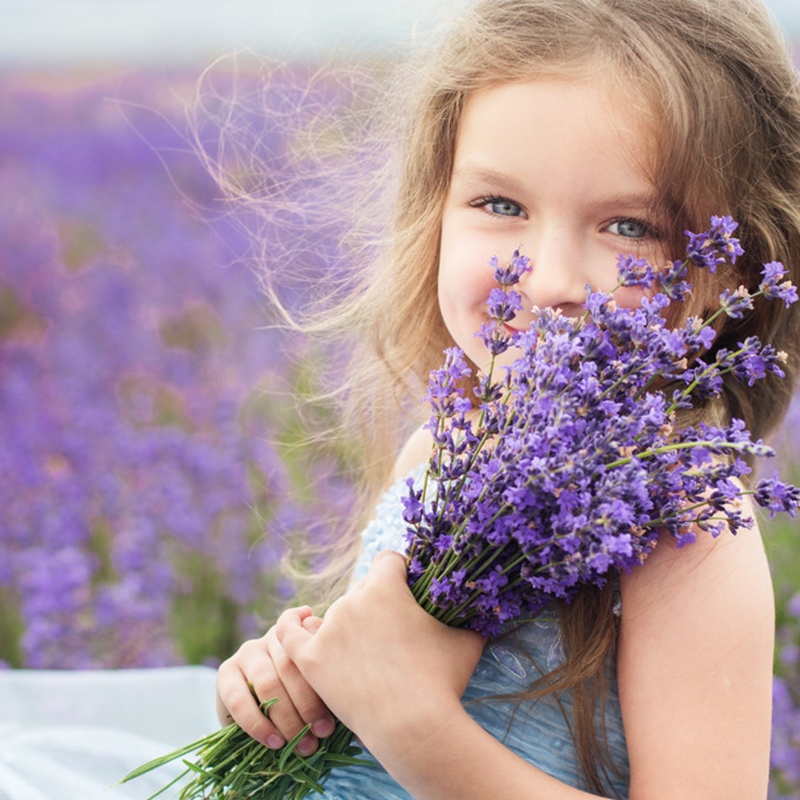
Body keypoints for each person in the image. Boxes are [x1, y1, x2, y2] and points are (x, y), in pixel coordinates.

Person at [215, 1, 800, 798]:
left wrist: (413, 724)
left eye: (629, 226)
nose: (551, 280)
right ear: (437, 210)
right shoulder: (439, 450)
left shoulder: (686, 530)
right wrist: (286, 692)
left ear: (723, 278)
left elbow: (398, 705)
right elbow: (366, 680)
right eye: (500, 206)